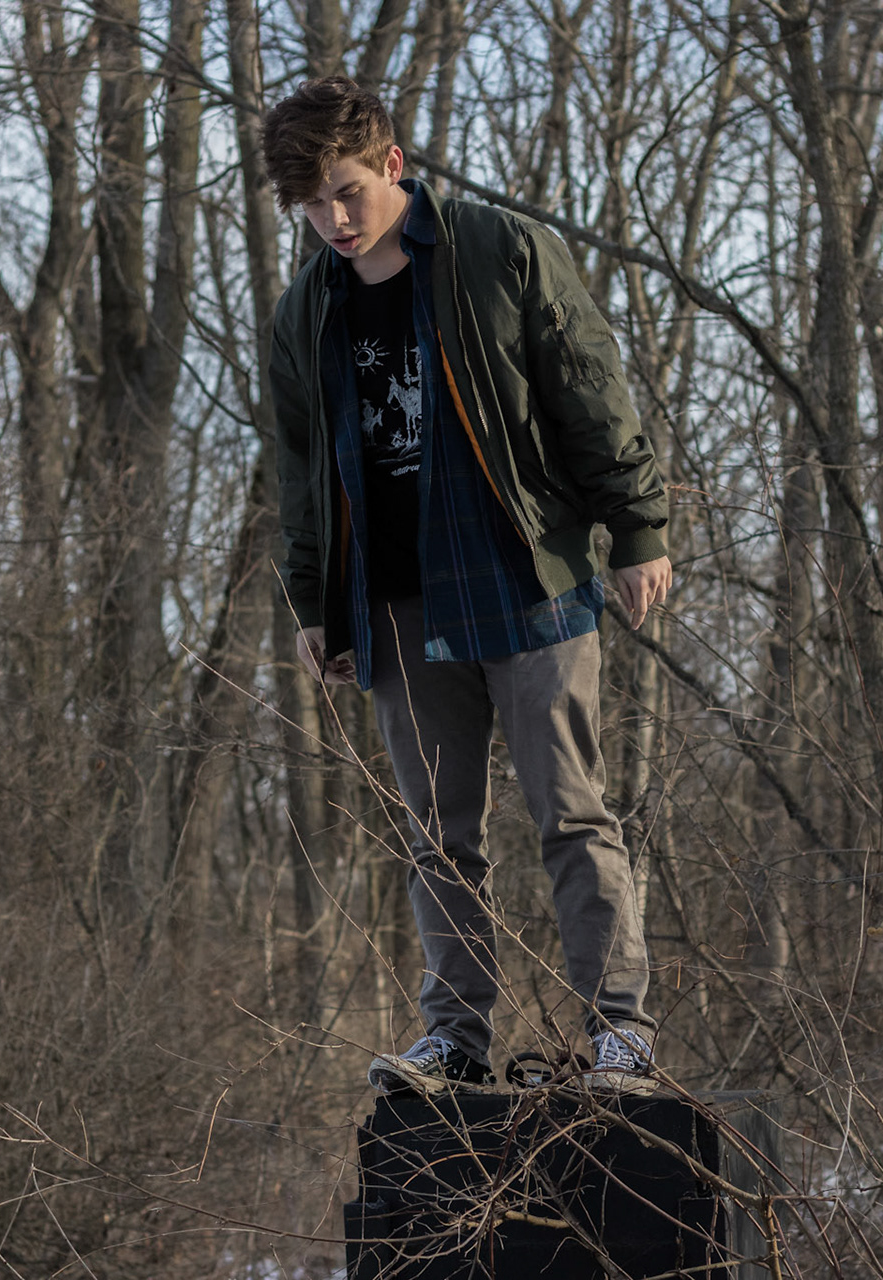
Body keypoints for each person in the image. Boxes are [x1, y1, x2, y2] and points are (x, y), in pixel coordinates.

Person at [262, 77, 673, 1096]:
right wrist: (315, 603)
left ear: (392, 165)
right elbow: (301, 469)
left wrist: (636, 526)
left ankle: (620, 1035)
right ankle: (453, 1041)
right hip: (397, 602)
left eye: (348, 192)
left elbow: (589, 386)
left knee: (570, 812)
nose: (335, 220)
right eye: (312, 206)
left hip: (522, 578)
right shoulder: (305, 310)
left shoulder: (499, 249)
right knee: (439, 838)